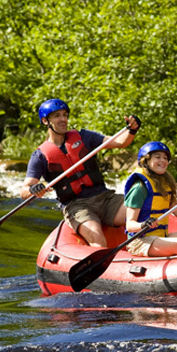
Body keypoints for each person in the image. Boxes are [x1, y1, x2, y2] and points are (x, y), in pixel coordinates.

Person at [20, 98, 141, 248]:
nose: (63, 119)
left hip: (105, 198)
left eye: (65, 115)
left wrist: (132, 129)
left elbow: (121, 142)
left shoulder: (84, 137)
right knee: (97, 239)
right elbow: (24, 190)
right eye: (57, 116)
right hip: (77, 207)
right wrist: (33, 189)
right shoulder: (40, 156)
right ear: (46, 121)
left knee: (140, 211)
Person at [123, 141, 177, 256]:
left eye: (165, 158)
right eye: (157, 157)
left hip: (160, 236)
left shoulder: (165, 184)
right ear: (146, 161)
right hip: (140, 241)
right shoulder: (139, 188)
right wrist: (144, 224)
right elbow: (129, 225)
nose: (163, 161)